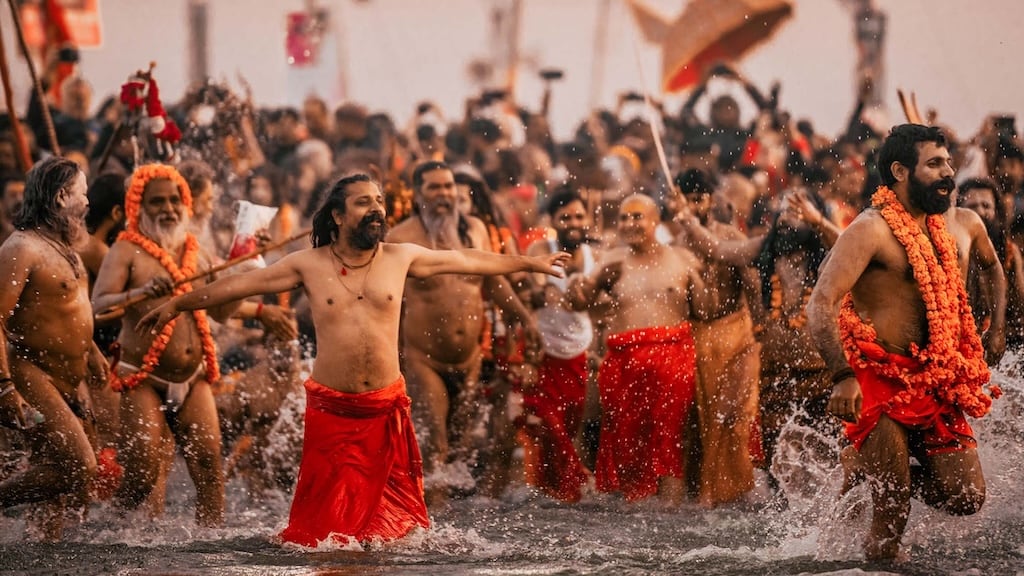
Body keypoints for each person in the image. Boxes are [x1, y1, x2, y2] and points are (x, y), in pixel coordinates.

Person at [137, 173, 569, 546]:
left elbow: (466, 259)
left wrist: (529, 263)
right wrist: (179, 304)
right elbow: (245, 285)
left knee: (396, 533)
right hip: (333, 412)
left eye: (379, 201)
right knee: (324, 535)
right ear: (339, 216)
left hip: (385, 409)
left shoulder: (402, 256)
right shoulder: (307, 263)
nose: (377, 209)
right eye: (364, 202)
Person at [806, 124, 1006, 561]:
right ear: (900, 171)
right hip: (878, 377)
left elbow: (995, 267)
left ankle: (867, 469)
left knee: (966, 496)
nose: (948, 172)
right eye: (935, 164)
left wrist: (997, 328)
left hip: (936, 378)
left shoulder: (959, 224)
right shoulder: (869, 230)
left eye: (949, 162)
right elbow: (821, 304)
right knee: (891, 510)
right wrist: (842, 377)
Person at [91, 163, 241, 527]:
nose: (169, 208)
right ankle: (108, 530)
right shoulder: (125, 251)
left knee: (209, 465)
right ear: (138, 207)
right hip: (143, 376)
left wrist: (240, 269)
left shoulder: (197, 251)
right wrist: (140, 292)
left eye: (175, 200)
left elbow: (223, 311)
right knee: (141, 472)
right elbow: (98, 307)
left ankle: (211, 545)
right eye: (157, 201)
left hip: (194, 376)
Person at [387, 161, 536, 504]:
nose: (444, 195)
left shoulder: (476, 230)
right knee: (435, 442)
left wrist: (525, 318)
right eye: (434, 188)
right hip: (424, 359)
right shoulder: (401, 238)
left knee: (461, 447)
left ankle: (452, 523)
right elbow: (388, 299)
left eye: (448, 186)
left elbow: (493, 279)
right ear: (418, 195)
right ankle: (433, 526)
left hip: (469, 358)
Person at [569, 193, 711, 505]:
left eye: (637, 217)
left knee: (670, 439)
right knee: (627, 441)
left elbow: (705, 310)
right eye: (623, 218)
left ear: (655, 221)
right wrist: (579, 284)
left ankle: (670, 512)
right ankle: (637, 516)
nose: (628, 224)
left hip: (672, 358)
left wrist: (704, 270)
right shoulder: (611, 262)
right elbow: (580, 303)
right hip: (623, 364)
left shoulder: (682, 259)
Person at [0, 156, 108, 537]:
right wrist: (4, 386)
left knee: (61, 494)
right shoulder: (22, 248)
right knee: (81, 466)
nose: (88, 201)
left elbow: (66, 312)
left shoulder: (67, 248)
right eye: (83, 192)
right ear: (62, 197)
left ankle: (40, 552)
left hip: (69, 378)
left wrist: (92, 353)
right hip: (31, 375)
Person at [672, 168, 761, 507]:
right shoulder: (673, 244)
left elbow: (753, 287)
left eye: (698, 199)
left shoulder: (730, 237)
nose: (693, 207)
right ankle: (699, 498)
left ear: (709, 200)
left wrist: (759, 335)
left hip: (736, 334)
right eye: (686, 200)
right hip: (694, 338)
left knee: (733, 417)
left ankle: (734, 494)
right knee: (694, 422)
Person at [520, 189, 599, 503]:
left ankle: (558, 496)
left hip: (580, 352)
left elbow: (605, 306)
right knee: (549, 427)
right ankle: (574, 485)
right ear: (552, 221)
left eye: (579, 216)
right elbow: (534, 290)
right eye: (565, 217)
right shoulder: (542, 248)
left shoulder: (597, 258)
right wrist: (545, 291)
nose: (573, 222)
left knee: (569, 429)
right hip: (544, 355)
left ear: (588, 219)